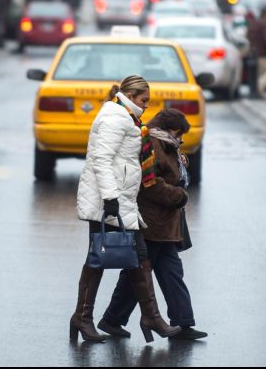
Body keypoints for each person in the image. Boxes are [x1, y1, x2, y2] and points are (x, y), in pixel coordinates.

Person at [70, 76, 181, 343]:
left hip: (122, 201)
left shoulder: (126, 117)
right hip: (109, 202)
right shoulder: (115, 117)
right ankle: (84, 318)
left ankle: (149, 316)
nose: (146, 106)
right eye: (144, 100)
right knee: (98, 259)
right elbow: (101, 159)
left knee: (138, 257)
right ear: (130, 95)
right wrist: (110, 197)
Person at [98, 109, 207, 341]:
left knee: (162, 273)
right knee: (138, 276)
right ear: (167, 130)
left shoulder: (166, 144)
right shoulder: (151, 144)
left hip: (165, 224)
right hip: (152, 222)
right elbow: (151, 184)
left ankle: (181, 323)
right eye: (178, 134)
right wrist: (180, 196)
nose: (180, 140)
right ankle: (113, 319)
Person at [247, 7, 266, 96]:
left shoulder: (253, 25)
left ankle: (257, 90)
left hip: (254, 54)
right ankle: (258, 88)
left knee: (260, 75)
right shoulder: (265, 25)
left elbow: (248, 37)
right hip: (265, 54)